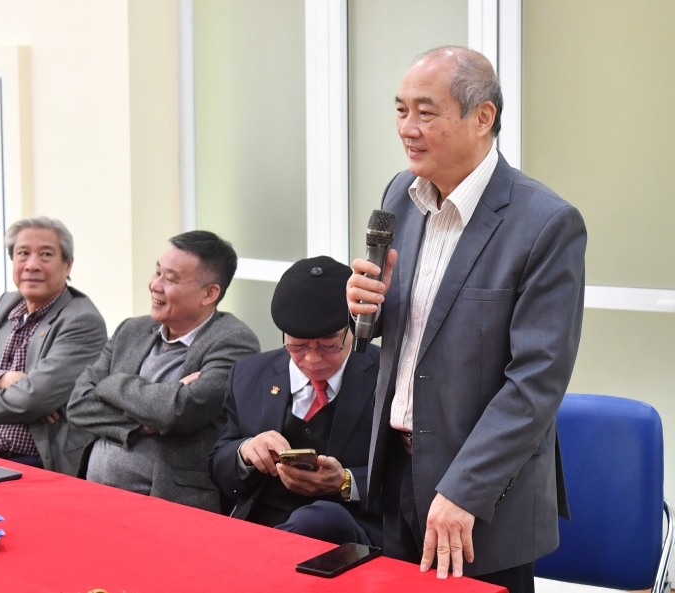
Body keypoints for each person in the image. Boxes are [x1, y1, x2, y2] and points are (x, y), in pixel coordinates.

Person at [346, 46, 586, 593]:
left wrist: (465, 490)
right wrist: (366, 306)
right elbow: (422, 329)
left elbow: (536, 381)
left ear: (483, 118)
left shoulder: (545, 222)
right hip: (397, 474)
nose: (407, 128)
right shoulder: (401, 195)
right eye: (401, 110)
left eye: (426, 112)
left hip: (482, 492)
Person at [67, 230, 259, 512]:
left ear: (209, 293)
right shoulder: (131, 329)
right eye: (157, 272)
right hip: (94, 494)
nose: (155, 285)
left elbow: (178, 411)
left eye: (171, 279)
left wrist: (111, 383)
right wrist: (141, 425)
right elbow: (78, 404)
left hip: (168, 504)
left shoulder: (234, 341)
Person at [210, 256, 382, 546]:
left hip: (351, 528)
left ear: (354, 329)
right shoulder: (249, 374)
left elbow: (411, 476)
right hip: (262, 524)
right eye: (298, 345)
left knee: (324, 518)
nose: (312, 359)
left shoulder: (388, 377)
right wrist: (246, 452)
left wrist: (345, 481)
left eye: (329, 345)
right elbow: (218, 463)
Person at [0, 216, 106, 475]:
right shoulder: (7, 305)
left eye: (46, 255)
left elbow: (30, 400)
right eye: (23, 254)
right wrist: (1, 379)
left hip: (29, 461)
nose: (32, 265)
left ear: (67, 264)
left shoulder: (81, 320)